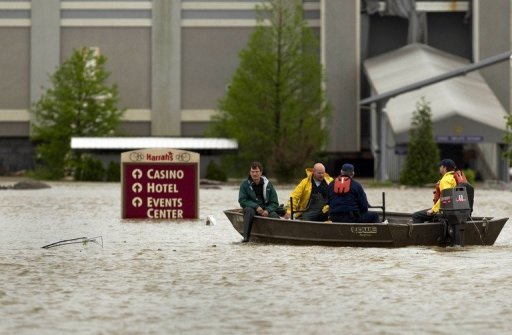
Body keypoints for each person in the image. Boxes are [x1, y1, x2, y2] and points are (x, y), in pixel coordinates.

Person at [238, 161, 280, 242]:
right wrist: (256, 206)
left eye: (257, 171)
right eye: (252, 172)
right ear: (250, 173)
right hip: (252, 209)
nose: (254, 174)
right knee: (248, 211)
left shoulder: (268, 185)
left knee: (274, 215)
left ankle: (275, 239)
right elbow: (242, 200)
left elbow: (275, 203)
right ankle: (246, 238)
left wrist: (268, 210)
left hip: (265, 209)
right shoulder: (244, 184)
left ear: (261, 172)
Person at [412, 158, 457, 223]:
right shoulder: (454, 177)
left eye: (440, 166)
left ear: (444, 168)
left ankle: (420, 233)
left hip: (446, 211)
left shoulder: (445, 180)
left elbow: (445, 198)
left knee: (416, 215)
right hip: (455, 209)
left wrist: (433, 210)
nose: (439, 168)